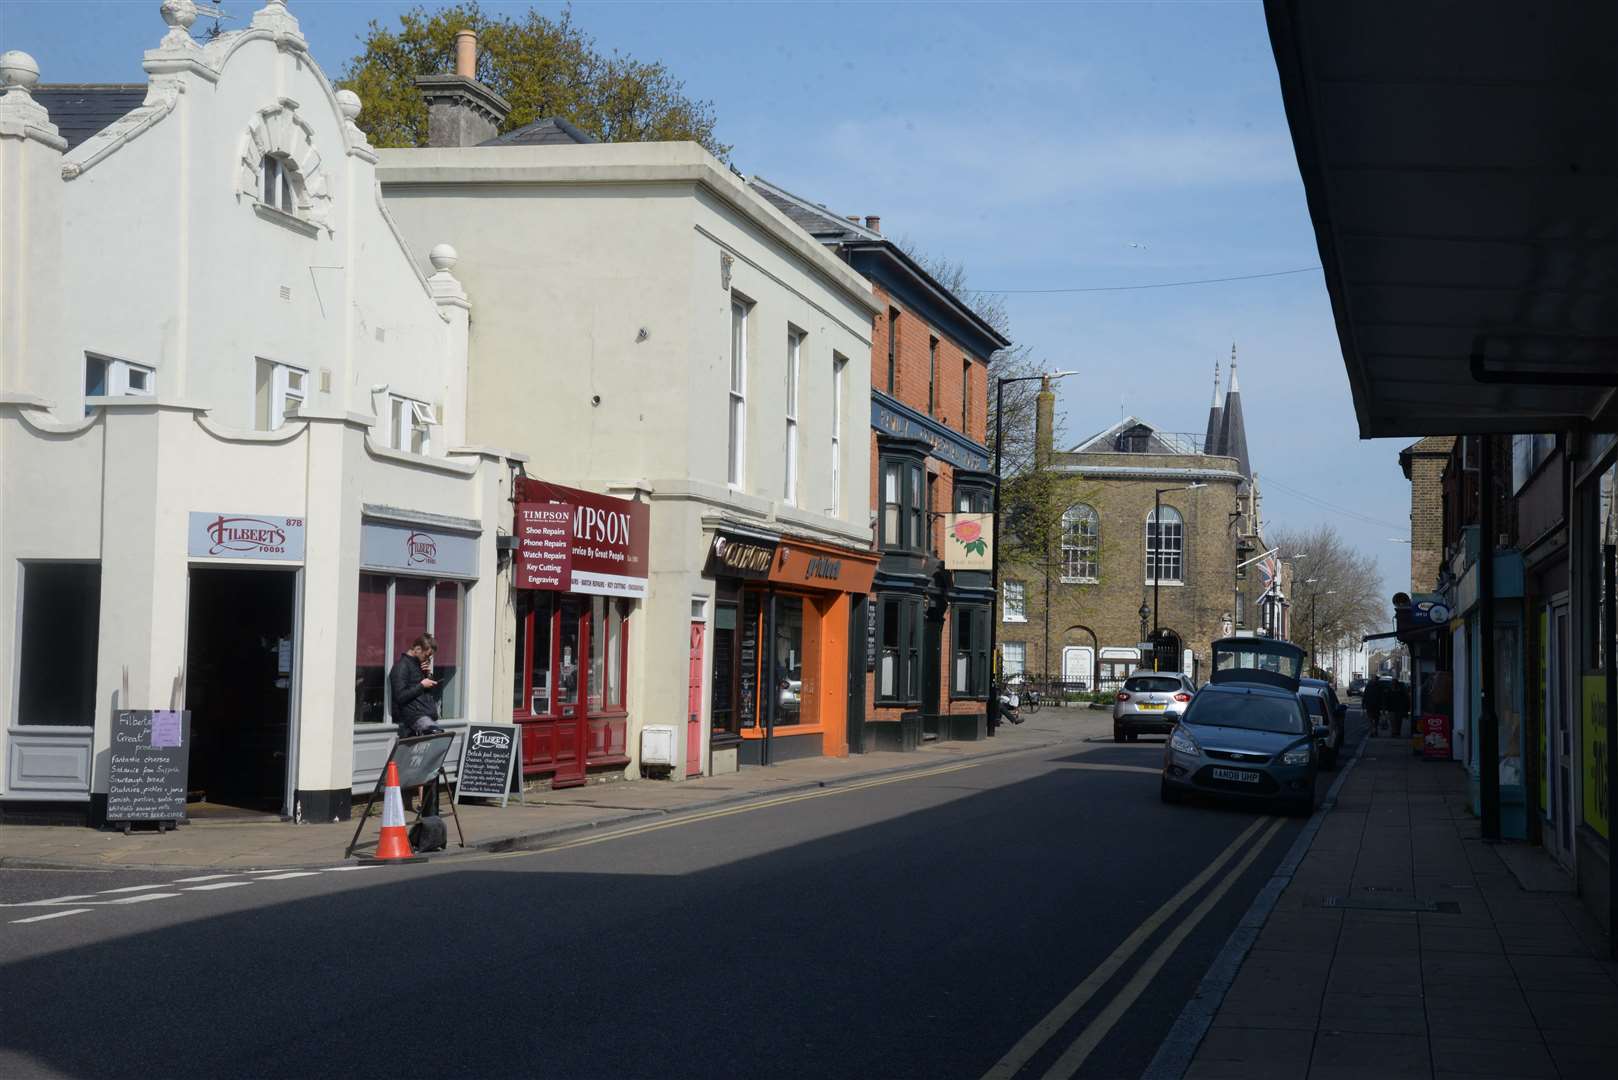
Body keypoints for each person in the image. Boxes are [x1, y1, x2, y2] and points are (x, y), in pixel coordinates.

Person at [389, 634, 442, 813]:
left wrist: (427, 675)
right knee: (428, 754)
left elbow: (425, 689)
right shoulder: (401, 667)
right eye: (427, 655)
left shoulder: (418, 666)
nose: (428, 658)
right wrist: (422, 684)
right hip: (413, 718)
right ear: (417, 648)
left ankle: (426, 803)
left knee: (428, 758)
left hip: (425, 714)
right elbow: (400, 696)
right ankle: (423, 804)